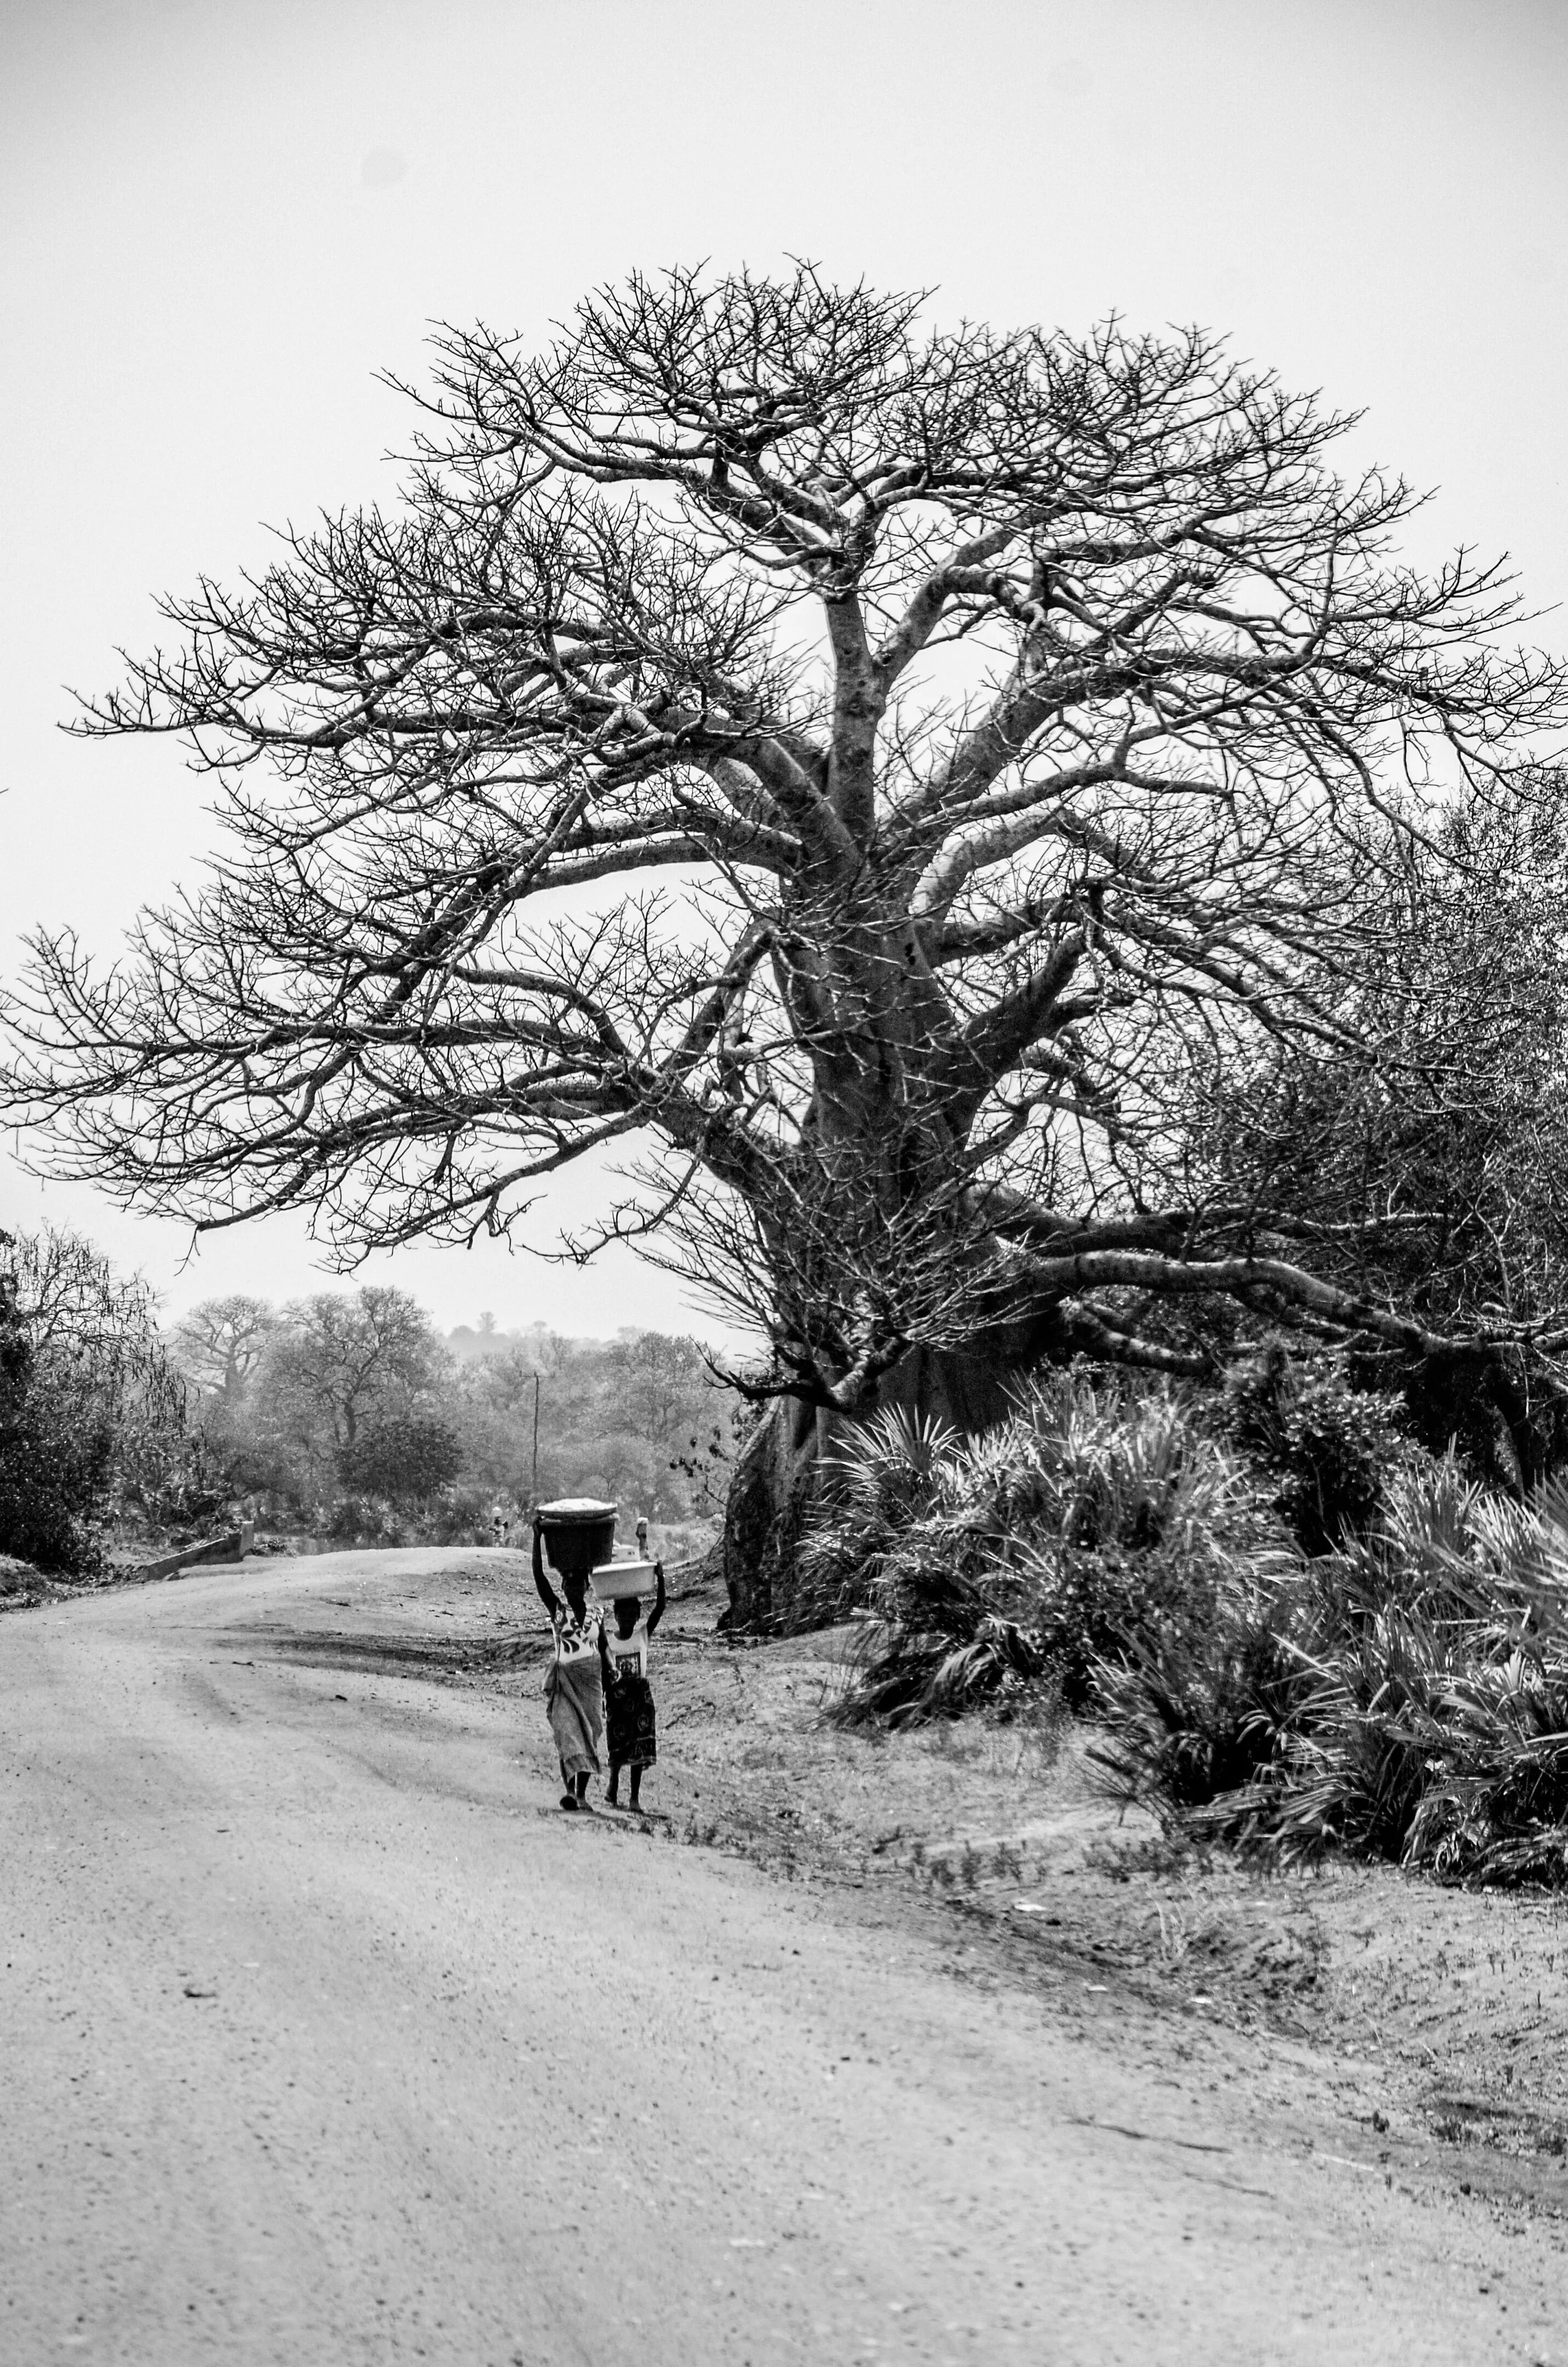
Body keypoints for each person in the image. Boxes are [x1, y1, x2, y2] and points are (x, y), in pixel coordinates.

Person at [532, 1513, 607, 1811]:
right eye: (567, 1582)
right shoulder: (558, 1611)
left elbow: (603, 1646)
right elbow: (539, 1577)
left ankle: (582, 1795)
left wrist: (611, 1667)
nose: (572, 1587)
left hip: (591, 1681)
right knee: (567, 1732)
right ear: (562, 1585)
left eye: (578, 1582)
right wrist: (537, 1538)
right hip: (564, 1681)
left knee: (589, 1732)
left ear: (586, 1586)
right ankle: (569, 1791)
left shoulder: (597, 1614)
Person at [603, 1535, 666, 1813]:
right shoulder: (609, 1640)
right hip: (617, 1696)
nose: (628, 1618)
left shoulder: (643, 1635)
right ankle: (613, 1785)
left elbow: (661, 1608)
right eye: (623, 1613)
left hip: (640, 1696)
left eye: (632, 1613)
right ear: (615, 1615)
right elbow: (604, 1670)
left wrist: (660, 1579)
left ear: (638, 1614)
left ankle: (634, 1798)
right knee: (618, 1745)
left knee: (639, 1747)